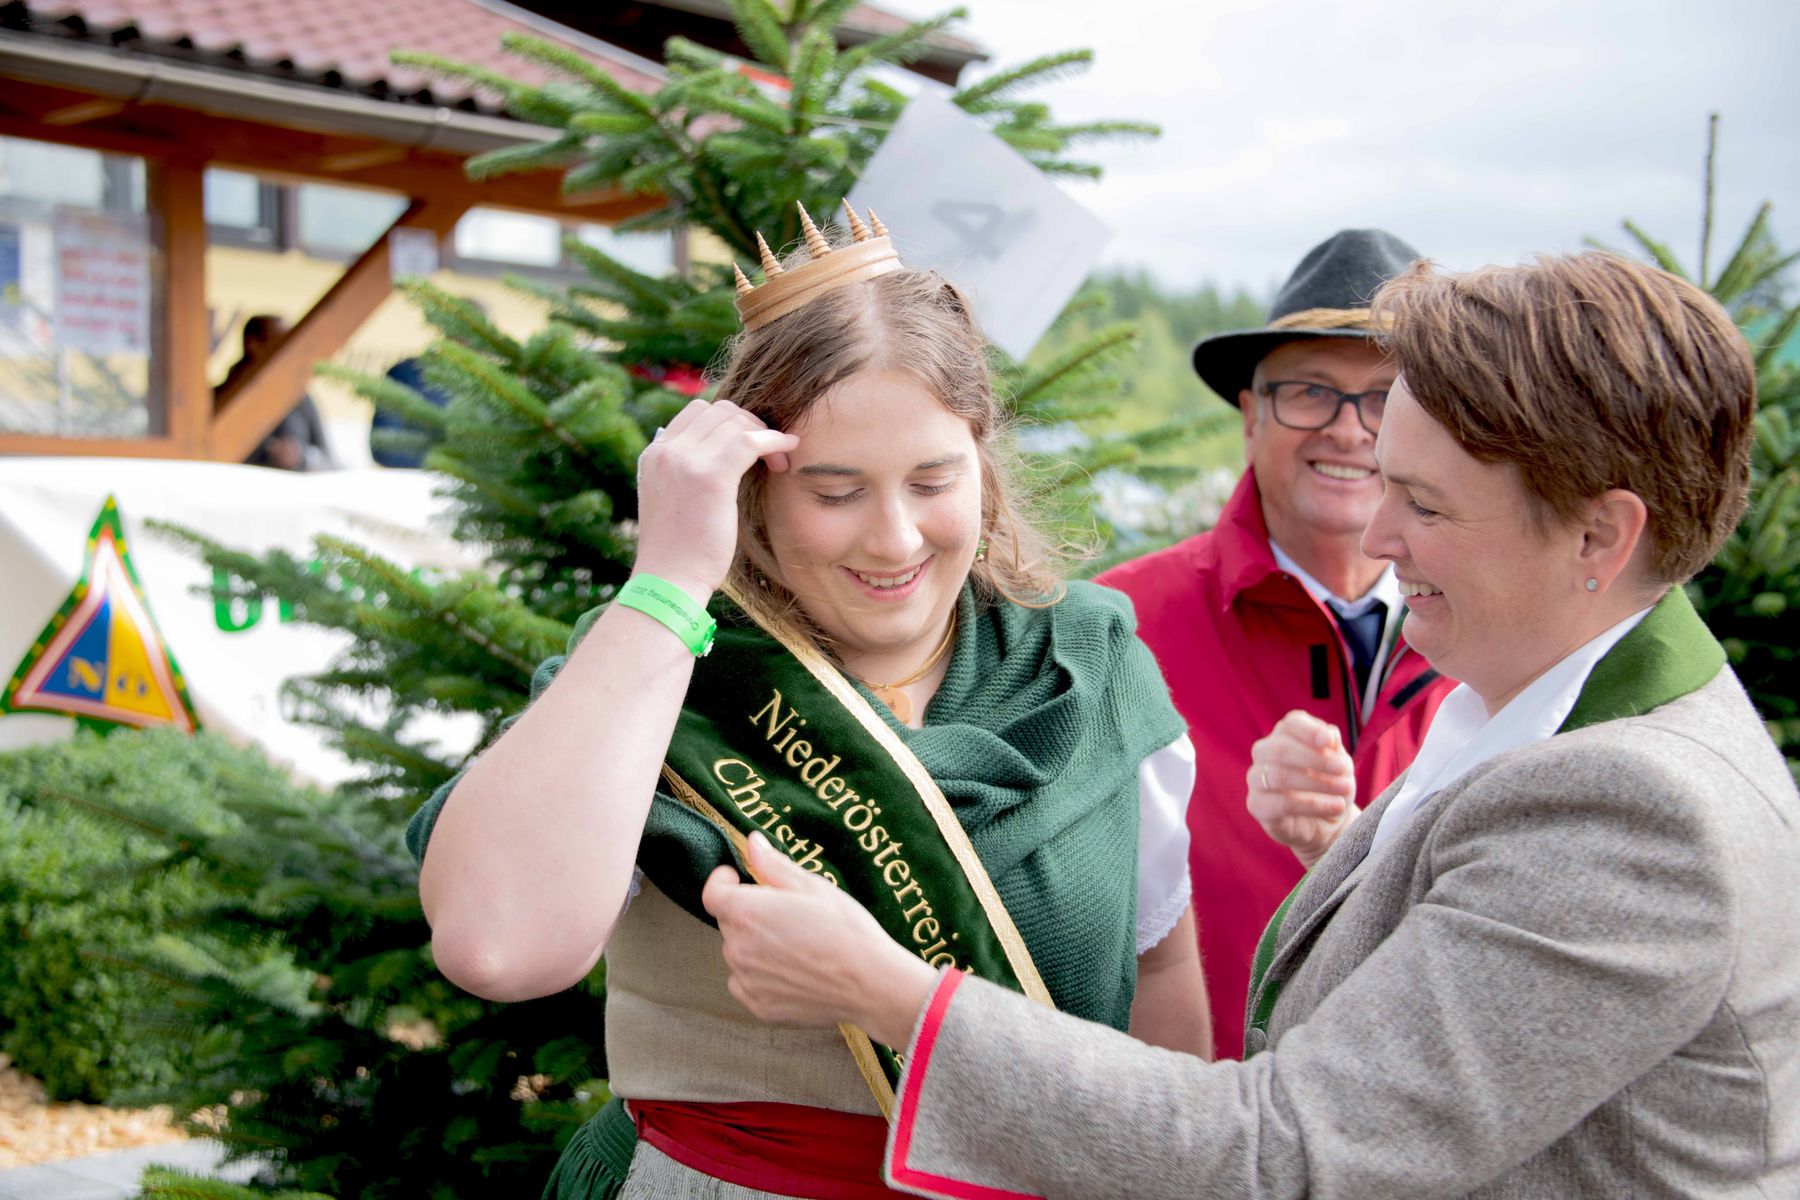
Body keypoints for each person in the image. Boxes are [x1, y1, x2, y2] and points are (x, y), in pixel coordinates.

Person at [703, 251, 1800, 1198]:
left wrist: (892, 995)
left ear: (1599, 538)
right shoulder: (1534, 712)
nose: (1377, 534)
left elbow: (1287, 1155)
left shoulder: (1633, 815)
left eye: (1424, 504)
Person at [407, 204, 1209, 1198]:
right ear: (755, 489)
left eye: (933, 481)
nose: (895, 538)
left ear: (985, 465)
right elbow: (496, 946)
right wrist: (667, 582)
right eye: (835, 492)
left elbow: (1162, 976)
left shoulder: (1085, 662)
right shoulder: (655, 668)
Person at [1096, 229, 1456, 1057]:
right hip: (1193, 1108)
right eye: (1309, 392)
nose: (1350, 430)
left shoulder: (1506, 643)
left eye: (1387, 398)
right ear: (1252, 416)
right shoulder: (1121, 626)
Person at [216, 314, 334, 470]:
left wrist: (300, 457)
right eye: (280, 341)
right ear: (252, 344)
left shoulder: (300, 399)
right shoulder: (219, 397)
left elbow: (328, 458)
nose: (289, 348)